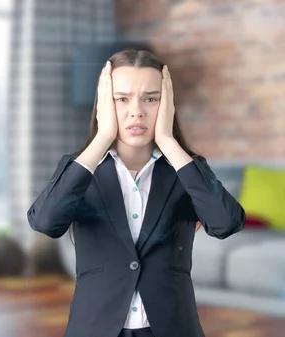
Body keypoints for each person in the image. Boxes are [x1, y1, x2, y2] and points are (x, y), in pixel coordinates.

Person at [26, 49, 246, 337]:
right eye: (122, 98)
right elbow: (45, 221)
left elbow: (227, 223)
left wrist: (167, 140)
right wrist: (103, 137)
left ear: (167, 105)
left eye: (151, 98)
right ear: (104, 104)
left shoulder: (186, 170)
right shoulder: (81, 169)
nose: (137, 111)